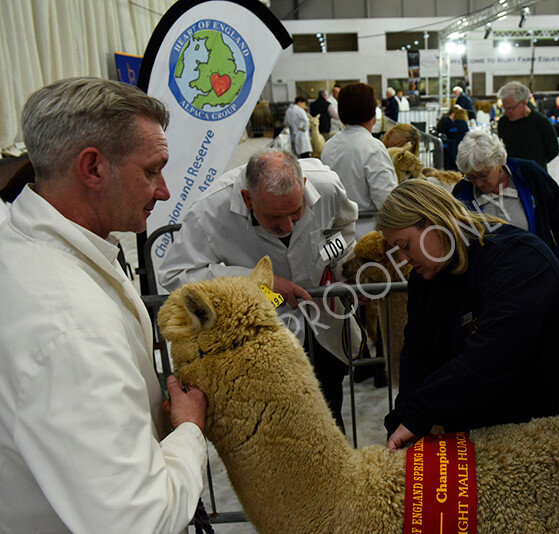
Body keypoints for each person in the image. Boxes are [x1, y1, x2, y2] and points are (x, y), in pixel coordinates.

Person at [0, 77, 207, 532]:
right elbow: (139, 520)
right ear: (92, 168)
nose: (164, 191)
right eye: (152, 170)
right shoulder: (71, 325)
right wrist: (190, 431)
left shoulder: (20, 240)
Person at [379, 179, 559, 451]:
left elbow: (491, 355)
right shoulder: (426, 278)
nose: (403, 259)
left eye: (405, 245)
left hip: (547, 431)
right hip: (481, 427)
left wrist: (420, 414)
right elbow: (416, 351)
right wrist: (403, 417)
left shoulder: (518, 260)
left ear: (435, 223)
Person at [159, 149, 358, 430]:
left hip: (321, 328)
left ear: (303, 185)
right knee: (277, 428)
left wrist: (335, 273)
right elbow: (175, 274)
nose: (288, 225)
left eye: (297, 212)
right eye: (275, 217)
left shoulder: (325, 185)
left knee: (329, 417)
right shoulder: (210, 212)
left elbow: (344, 226)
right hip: (259, 344)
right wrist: (259, 282)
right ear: (247, 199)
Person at [452, 130, 559, 271]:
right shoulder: (462, 192)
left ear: (499, 162)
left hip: (536, 267)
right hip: (491, 274)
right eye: (471, 177)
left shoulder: (530, 174)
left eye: (483, 175)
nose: (478, 183)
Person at [320, 82, 398, 238]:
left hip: (335, 234)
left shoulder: (329, 145)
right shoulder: (372, 146)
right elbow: (387, 201)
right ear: (372, 112)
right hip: (366, 232)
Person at [496, 81, 559, 171]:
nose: (506, 112)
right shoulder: (503, 123)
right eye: (504, 108)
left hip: (536, 175)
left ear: (523, 103)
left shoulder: (541, 122)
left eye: (510, 108)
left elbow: (554, 150)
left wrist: (537, 164)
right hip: (512, 174)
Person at [443, 106, 470, 171]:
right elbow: (467, 135)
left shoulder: (452, 124)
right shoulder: (464, 124)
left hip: (451, 148)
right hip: (460, 147)